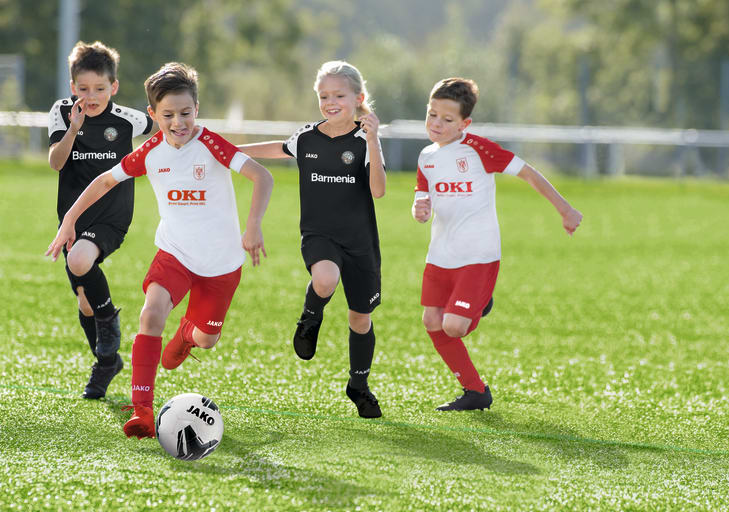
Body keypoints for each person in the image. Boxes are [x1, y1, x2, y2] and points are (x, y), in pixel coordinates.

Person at [46, 62, 274, 439]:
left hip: (221, 264)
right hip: (175, 254)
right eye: (168, 115)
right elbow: (105, 180)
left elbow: (261, 176)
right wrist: (70, 219)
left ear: (196, 109)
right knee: (150, 316)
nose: (178, 122)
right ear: (153, 115)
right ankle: (143, 412)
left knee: (207, 339)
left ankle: (187, 335)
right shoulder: (150, 152)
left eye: (186, 113)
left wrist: (253, 226)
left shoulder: (213, 144)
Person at [412, 77, 583, 411]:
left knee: (454, 326)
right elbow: (423, 201)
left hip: (478, 253)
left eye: (448, 120)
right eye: (432, 115)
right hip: (441, 254)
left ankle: (479, 302)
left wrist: (566, 209)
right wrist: (420, 209)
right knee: (432, 321)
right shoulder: (425, 157)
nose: (437, 124)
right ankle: (475, 392)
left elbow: (529, 173)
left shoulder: (479, 149)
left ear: (465, 123)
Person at [238, 60, 386, 419]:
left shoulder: (364, 141)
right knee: (324, 278)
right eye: (323, 95)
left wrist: (373, 140)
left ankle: (358, 385)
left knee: (360, 319)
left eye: (339, 95)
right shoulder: (307, 136)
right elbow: (280, 148)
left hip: (360, 243)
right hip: (319, 235)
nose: (330, 102)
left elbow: (378, 191)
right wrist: (231, 151)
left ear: (358, 98)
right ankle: (310, 317)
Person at [47, 41, 153, 400]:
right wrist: (74, 128)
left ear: (115, 87)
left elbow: (167, 123)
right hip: (72, 218)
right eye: (83, 88)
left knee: (79, 260)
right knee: (85, 303)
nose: (91, 97)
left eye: (100, 89)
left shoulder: (130, 119)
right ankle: (107, 362)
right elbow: (56, 163)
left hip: (112, 214)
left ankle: (109, 328)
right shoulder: (62, 113)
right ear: (72, 85)